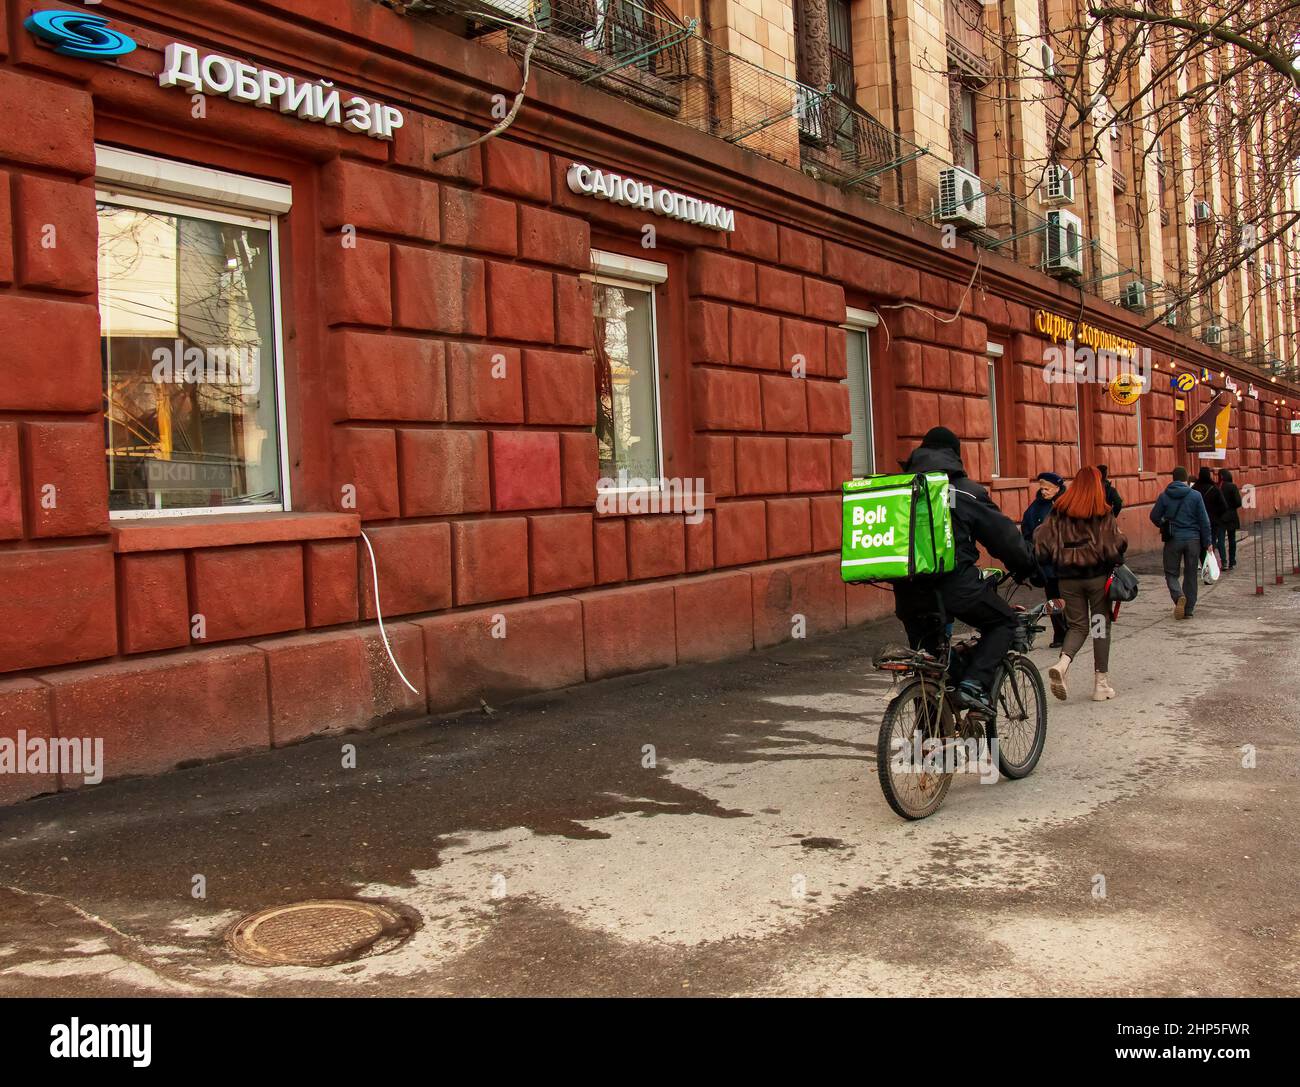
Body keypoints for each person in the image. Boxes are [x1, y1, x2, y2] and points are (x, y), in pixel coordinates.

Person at [891, 426, 1040, 716]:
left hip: (908, 593)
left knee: (930, 663)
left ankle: (929, 744)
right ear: (954, 456)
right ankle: (973, 685)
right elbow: (1003, 538)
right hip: (955, 587)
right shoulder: (963, 490)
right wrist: (1026, 565)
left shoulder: (902, 489)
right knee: (1004, 623)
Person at [1032, 467, 1128, 702]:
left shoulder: (1060, 509)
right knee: (1099, 626)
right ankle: (1101, 685)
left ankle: (1063, 664)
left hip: (1067, 579)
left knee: (1076, 626)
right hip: (1096, 579)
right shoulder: (1102, 511)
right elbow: (1115, 545)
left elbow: (1040, 542)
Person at [1149, 465, 1212, 619]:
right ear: (1186, 478)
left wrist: (1164, 523)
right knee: (1191, 574)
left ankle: (1178, 597)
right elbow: (1204, 520)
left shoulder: (1164, 496)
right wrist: (1208, 542)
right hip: (1193, 540)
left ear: (1173, 478)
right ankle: (1188, 609)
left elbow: (1154, 516)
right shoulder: (1196, 495)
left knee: (1171, 573)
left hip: (1173, 539)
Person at [1021, 471, 1068, 648]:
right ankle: (1060, 633)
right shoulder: (1035, 507)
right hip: (1045, 561)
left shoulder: (1065, 504)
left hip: (1064, 560)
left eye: (1047, 488)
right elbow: (1026, 528)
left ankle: (1073, 629)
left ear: (1057, 488)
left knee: (1068, 596)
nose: (1044, 491)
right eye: (1042, 488)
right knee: (1052, 598)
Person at [1193, 466, 1229, 573]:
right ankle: (1210, 565)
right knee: (1210, 542)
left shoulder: (1194, 489)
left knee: (1199, 544)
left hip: (1197, 521)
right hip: (1212, 522)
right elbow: (1224, 506)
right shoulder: (1214, 489)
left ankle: (1204, 564)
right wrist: (1217, 516)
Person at [1218, 469, 1243, 570]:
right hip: (1231, 516)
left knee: (1220, 540)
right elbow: (1238, 502)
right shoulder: (1232, 486)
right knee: (1232, 539)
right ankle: (1232, 561)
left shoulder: (1218, 487)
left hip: (1220, 517)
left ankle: (1223, 561)